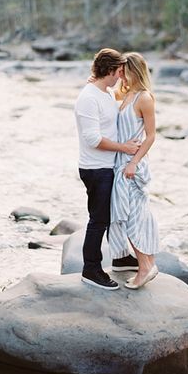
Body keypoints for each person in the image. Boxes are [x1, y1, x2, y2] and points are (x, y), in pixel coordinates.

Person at [74, 48, 140, 290]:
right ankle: (90, 269)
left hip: (107, 166)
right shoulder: (88, 98)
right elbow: (92, 139)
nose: (122, 76)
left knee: (113, 216)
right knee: (98, 220)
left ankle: (121, 258)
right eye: (120, 71)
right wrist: (124, 148)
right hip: (95, 169)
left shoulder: (106, 92)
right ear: (110, 70)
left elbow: (125, 100)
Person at [110, 52, 160, 289]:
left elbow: (150, 136)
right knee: (128, 214)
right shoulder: (126, 93)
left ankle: (145, 267)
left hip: (132, 166)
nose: (120, 74)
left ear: (133, 70)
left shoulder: (144, 98)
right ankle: (148, 263)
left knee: (131, 217)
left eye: (123, 69)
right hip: (121, 163)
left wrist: (133, 163)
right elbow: (109, 94)